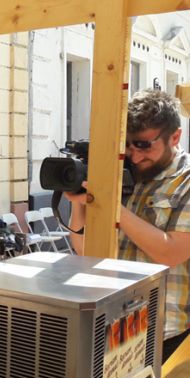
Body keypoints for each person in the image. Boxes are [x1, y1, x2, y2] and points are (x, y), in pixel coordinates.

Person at [65, 89, 190, 363]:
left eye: (144, 145)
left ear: (175, 137)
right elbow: (86, 251)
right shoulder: (121, 175)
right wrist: (80, 202)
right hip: (113, 330)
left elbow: (171, 253)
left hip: (168, 339)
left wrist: (110, 205)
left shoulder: (186, 181)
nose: (134, 157)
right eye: (128, 145)